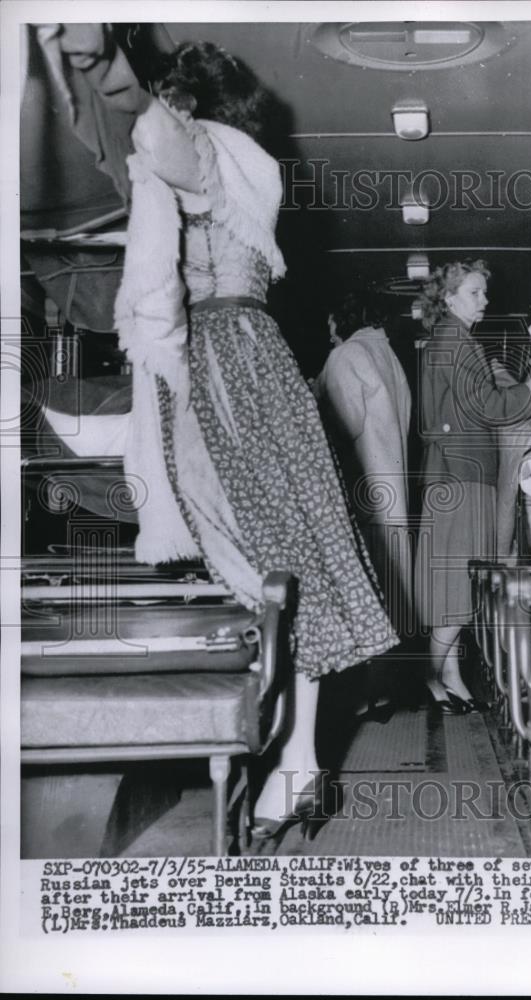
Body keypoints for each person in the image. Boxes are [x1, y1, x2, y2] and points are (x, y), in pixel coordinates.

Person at [59, 27, 398, 843]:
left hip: (214, 362)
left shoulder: (203, 150)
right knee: (290, 560)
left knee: (255, 556)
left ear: (191, 103)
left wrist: (104, 57)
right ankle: (300, 759)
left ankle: (289, 754)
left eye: (178, 98)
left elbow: (149, 135)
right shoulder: (252, 168)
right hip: (262, 357)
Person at [415, 260, 531, 711]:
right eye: (475, 293)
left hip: (459, 474)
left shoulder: (452, 341)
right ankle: (426, 674)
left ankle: (451, 678)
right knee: (458, 587)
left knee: (458, 584)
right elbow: (490, 407)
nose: (485, 300)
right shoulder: (456, 342)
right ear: (450, 297)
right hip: (463, 478)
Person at [314, 290, 413, 638]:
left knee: (370, 587)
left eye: (330, 323)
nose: (328, 332)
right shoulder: (387, 354)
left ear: (343, 320)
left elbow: (344, 424)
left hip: (363, 487)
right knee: (397, 580)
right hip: (392, 486)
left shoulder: (346, 355)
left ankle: (377, 685)